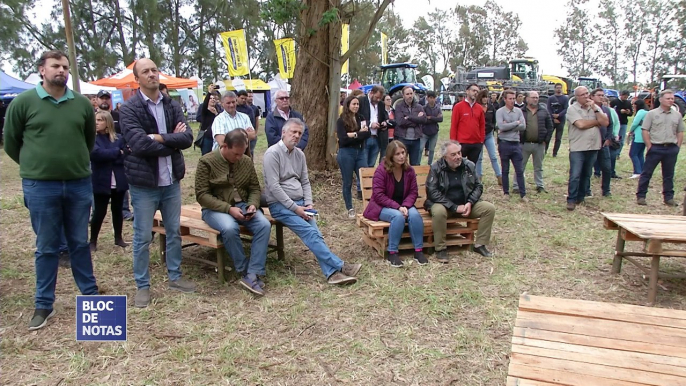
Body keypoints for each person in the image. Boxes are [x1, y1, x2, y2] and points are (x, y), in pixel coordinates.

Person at [3, 50, 99, 330]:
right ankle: (44, 304)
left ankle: (90, 296)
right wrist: (37, 166)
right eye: (55, 66)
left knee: (79, 242)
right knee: (46, 247)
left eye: (66, 67)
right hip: (40, 186)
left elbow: (88, 140)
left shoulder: (81, 104)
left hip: (79, 183)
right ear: (41, 70)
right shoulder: (23, 102)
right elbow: (11, 142)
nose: (62, 71)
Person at [119, 58, 195, 308]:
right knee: (142, 238)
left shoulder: (172, 105)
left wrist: (161, 138)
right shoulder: (129, 109)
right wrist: (170, 143)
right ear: (137, 78)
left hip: (171, 181)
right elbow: (139, 145)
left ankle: (175, 276)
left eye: (154, 69)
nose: (152, 74)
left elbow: (187, 138)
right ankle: (143, 286)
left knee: (173, 232)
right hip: (144, 185)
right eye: (146, 71)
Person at [263, 118, 362, 284]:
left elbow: (305, 181)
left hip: (301, 204)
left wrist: (308, 203)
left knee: (316, 234)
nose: (296, 136)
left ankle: (331, 274)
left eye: (299, 133)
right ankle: (341, 266)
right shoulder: (272, 154)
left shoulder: (300, 155)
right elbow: (274, 187)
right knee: (309, 232)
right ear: (283, 132)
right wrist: (296, 209)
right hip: (280, 205)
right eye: (293, 132)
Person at [196, 129, 270, 296]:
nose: (238, 158)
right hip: (215, 208)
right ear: (224, 146)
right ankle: (244, 270)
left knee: (263, 225)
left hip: (242, 204)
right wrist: (228, 209)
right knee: (229, 228)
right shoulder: (206, 162)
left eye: (242, 153)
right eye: (235, 154)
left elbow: (254, 188)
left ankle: (253, 272)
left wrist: (252, 204)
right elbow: (202, 195)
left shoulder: (245, 161)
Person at [425, 141, 496, 262]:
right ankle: (440, 249)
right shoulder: (436, 167)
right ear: (445, 157)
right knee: (438, 211)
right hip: (444, 205)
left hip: (465, 203)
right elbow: (432, 192)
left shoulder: (469, 165)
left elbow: (478, 186)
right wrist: (453, 207)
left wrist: (470, 202)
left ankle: (480, 245)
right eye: (453, 154)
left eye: (459, 153)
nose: (458, 157)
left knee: (489, 208)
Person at [363, 141, 426, 267]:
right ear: (391, 156)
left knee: (415, 215)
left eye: (403, 153)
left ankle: (418, 251)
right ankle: (392, 252)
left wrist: (406, 206)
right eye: (398, 154)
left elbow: (413, 192)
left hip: (404, 205)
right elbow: (378, 195)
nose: (402, 156)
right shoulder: (382, 170)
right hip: (382, 206)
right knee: (397, 216)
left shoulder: (409, 170)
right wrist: (398, 207)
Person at [89, 110, 130, 252]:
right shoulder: (92, 139)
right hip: (101, 180)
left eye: (100, 120)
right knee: (99, 212)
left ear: (108, 122)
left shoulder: (119, 138)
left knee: (117, 210)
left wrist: (114, 154)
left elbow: (126, 154)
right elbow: (95, 154)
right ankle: (93, 240)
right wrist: (116, 152)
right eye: (95, 120)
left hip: (118, 180)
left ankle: (118, 238)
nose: (96, 122)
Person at [636, 89, 685, 206]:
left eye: (672, 98)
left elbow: (680, 132)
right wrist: (649, 146)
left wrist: (677, 146)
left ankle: (668, 198)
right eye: (668, 98)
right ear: (661, 99)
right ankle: (641, 196)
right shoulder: (652, 114)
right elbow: (645, 130)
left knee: (669, 175)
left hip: (671, 148)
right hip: (655, 147)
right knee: (647, 173)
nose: (671, 101)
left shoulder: (677, 115)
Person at [564, 86, 609, 211]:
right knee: (575, 174)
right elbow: (581, 124)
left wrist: (595, 109)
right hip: (578, 147)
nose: (586, 96)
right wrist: (596, 122)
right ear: (577, 97)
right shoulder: (572, 109)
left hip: (593, 146)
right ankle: (571, 199)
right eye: (582, 94)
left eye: (587, 93)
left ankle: (580, 197)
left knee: (587, 173)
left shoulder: (595, 108)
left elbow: (605, 122)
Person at [337, 96, 370, 218]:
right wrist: (358, 134)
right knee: (348, 182)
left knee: (365, 179)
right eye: (353, 104)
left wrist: (354, 135)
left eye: (357, 104)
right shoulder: (341, 120)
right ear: (348, 105)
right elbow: (343, 139)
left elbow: (367, 134)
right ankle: (350, 208)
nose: (356, 106)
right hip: (346, 153)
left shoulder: (361, 118)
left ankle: (369, 207)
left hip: (360, 152)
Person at [513, 91, 552, 194]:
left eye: (537, 97)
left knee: (538, 167)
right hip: (524, 144)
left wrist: (545, 141)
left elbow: (550, 127)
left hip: (539, 144)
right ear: (527, 99)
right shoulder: (520, 111)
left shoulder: (544, 111)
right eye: (533, 97)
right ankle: (516, 186)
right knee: (520, 166)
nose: (535, 99)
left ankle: (540, 185)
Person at [496, 90, 527, 201]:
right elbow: (501, 127)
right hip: (504, 143)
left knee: (519, 170)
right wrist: (516, 123)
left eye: (514, 98)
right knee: (505, 170)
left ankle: (523, 194)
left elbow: (523, 126)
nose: (513, 100)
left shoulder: (518, 111)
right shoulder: (500, 112)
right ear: (505, 99)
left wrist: (508, 125)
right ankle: (506, 193)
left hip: (516, 143)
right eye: (510, 98)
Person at [450, 83, 485, 164]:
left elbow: (482, 125)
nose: (475, 93)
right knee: (458, 166)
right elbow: (454, 125)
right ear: (467, 91)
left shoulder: (479, 108)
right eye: (473, 90)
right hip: (461, 143)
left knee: (472, 168)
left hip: (476, 143)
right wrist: (453, 142)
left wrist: (481, 140)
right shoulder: (458, 107)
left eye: (477, 91)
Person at [590, 88, 614, 198]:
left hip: (603, 143)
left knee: (607, 168)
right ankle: (586, 189)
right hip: (590, 144)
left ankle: (606, 190)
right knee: (588, 168)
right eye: (599, 95)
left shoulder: (606, 110)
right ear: (592, 96)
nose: (601, 97)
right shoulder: (588, 109)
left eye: (602, 95)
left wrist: (608, 138)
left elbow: (610, 125)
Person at [394, 86, 427, 165]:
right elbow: (400, 122)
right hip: (403, 139)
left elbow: (424, 120)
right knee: (401, 164)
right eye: (407, 94)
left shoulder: (419, 107)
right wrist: (416, 119)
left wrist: (409, 117)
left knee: (415, 164)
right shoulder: (399, 107)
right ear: (403, 95)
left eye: (411, 93)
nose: (410, 96)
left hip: (416, 140)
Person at [357, 85, 389, 166]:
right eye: (376, 97)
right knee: (363, 165)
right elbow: (357, 118)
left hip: (377, 138)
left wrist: (384, 122)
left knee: (371, 165)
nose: (378, 100)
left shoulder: (381, 104)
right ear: (371, 93)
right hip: (365, 138)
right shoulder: (361, 101)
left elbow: (385, 117)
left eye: (380, 98)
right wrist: (370, 124)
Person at [476, 89, 502, 185]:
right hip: (478, 135)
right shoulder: (476, 107)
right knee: (479, 158)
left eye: (486, 97)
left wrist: (494, 129)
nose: (485, 99)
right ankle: (478, 177)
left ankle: (499, 176)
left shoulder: (491, 107)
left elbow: (494, 120)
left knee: (493, 156)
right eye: (483, 97)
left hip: (489, 134)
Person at [419, 91, 443, 165]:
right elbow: (424, 119)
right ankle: (417, 164)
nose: (432, 99)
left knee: (432, 150)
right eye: (430, 98)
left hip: (434, 132)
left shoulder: (438, 108)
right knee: (420, 149)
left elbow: (441, 119)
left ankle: (430, 165)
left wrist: (430, 117)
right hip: (424, 132)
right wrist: (434, 118)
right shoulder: (424, 108)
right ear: (427, 98)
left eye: (433, 98)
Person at [546, 83, 569, 157]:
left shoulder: (565, 98)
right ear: (555, 89)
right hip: (552, 120)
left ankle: (555, 153)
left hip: (561, 120)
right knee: (548, 136)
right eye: (557, 88)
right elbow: (548, 109)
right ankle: (545, 151)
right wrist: (553, 118)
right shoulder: (550, 98)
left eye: (560, 88)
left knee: (558, 138)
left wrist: (559, 115)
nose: (558, 89)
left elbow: (566, 109)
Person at [627, 99, 648, 179]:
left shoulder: (641, 112)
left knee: (633, 153)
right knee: (640, 154)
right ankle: (642, 171)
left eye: (634, 105)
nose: (633, 107)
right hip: (645, 136)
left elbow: (635, 123)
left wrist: (630, 131)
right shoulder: (647, 112)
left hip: (639, 135)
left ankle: (637, 171)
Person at [199, 85, 221, 155]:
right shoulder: (204, 110)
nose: (212, 99)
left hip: (216, 137)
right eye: (210, 98)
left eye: (214, 98)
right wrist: (209, 92)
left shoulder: (218, 109)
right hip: (207, 137)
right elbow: (205, 104)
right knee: (206, 155)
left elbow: (221, 120)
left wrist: (216, 113)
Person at [611, 90, 632, 158]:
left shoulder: (628, 103)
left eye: (626, 97)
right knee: (614, 137)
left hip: (623, 122)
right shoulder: (614, 102)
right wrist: (619, 111)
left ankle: (617, 153)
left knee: (621, 139)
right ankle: (613, 152)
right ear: (621, 95)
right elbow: (610, 110)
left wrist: (628, 112)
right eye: (624, 97)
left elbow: (631, 113)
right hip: (615, 122)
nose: (625, 98)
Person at [236, 89, 258, 156]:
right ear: (237, 97)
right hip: (236, 136)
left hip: (248, 135)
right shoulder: (234, 108)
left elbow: (253, 121)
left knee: (249, 154)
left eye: (245, 99)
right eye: (242, 98)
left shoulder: (249, 109)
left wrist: (255, 132)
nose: (243, 100)